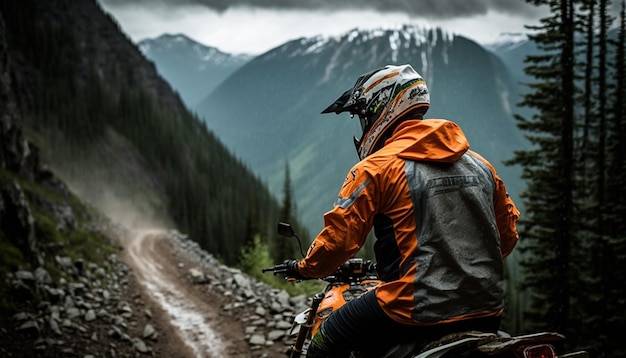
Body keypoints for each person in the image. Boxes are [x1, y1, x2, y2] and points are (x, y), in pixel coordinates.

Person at [284, 64, 520, 357]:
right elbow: (506, 238)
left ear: (381, 108)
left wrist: (304, 268)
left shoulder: (375, 169)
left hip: (413, 310)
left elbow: (339, 242)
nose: (364, 125)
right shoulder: (481, 165)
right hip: (487, 310)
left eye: (364, 116)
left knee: (328, 335)